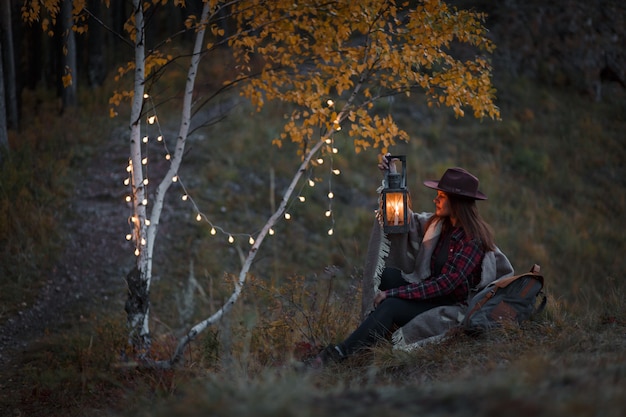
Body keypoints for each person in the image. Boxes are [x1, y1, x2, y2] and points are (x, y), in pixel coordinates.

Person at [308, 154, 513, 367]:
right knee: (388, 275)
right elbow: (406, 218)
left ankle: (338, 355)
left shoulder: (472, 241)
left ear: (457, 202)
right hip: (432, 293)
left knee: (391, 304)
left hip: (449, 304)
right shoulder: (441, 225)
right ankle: (374, 331)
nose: (436, 199)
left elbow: (445, 285)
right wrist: (392, 177)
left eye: (441, 196)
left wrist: (393, 293)